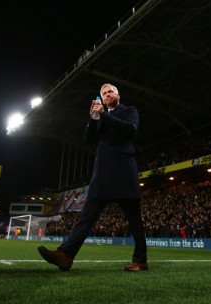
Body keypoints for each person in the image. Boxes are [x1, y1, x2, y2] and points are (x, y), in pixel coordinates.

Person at [38, 83, 148, 272]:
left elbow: (130, 129)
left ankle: (141, 260)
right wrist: (93, 118)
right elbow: (88, 140)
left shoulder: (129, 111)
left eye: (110, 92)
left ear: (118, 94)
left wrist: (104, 116)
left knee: (134, 219)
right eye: (103, 94)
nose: (107, 95)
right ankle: (65, 255)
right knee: (86, 216)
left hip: (123, 171)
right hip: (103, 173)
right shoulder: (100, 117)